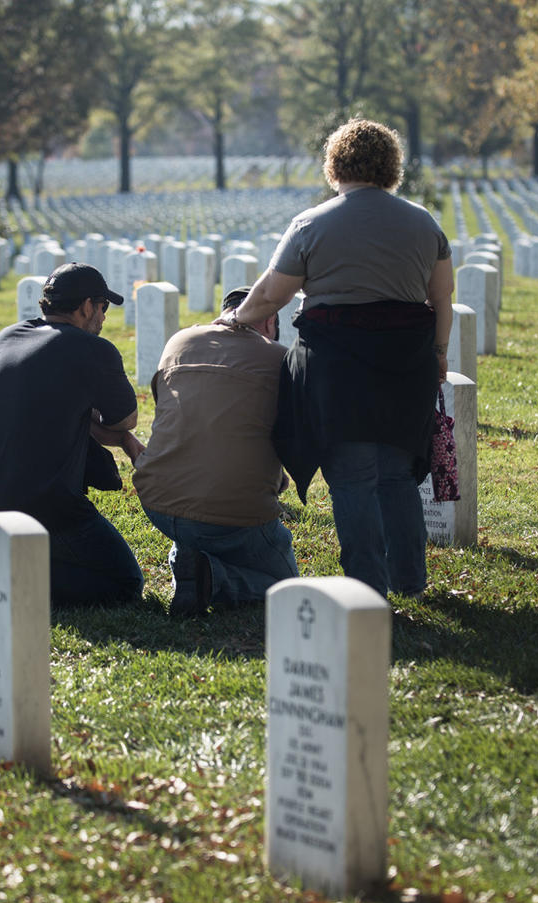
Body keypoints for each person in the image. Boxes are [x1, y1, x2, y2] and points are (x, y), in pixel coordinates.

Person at [224, 117, 453, 599]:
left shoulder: (311, 223)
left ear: (334, 165)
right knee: (397, 475)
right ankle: (411, 580)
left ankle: (367, 586)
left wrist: (237, 321)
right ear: (392, 166)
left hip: (337, 366)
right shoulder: (425, 223)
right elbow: (442, 300)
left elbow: (270, 294)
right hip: (405, 363)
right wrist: (439, 354)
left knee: (351, 478)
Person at [0, 262, 145, 606]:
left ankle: (6, 559)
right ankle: (11, 577)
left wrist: (115, 435)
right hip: (43, 504)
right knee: (124, 582)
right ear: (86, 306)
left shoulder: (8, 336)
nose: (104, 317)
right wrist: (125, 437)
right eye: (103, 306)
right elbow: (125, 418)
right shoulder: (92, 349)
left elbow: (46, 406)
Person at [133, 286, 297, 616]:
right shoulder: (279, 358)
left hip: (158, 503)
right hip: (230, 515)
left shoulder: (179, 341)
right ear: (269, 322)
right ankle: (213, 579)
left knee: (199, 517)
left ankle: (191, 557)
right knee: (287, 586)